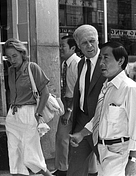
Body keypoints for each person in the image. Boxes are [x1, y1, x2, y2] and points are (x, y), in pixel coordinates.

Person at [69, 41, 136, 176]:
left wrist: (133, 161)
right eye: (100, 58)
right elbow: (100, 117)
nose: (101, 63)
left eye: (106, 58)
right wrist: (81, 134)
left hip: (119, 154)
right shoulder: (107, 86)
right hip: (104, 152)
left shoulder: (130, 89)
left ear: (120, 60)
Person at [3, 38, 52, 176]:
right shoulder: (11, 71)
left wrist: (38, 113)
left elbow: (45, 93)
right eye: (9, 57)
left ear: (22, 53)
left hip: (29, 113)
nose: (12, 60)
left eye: (15, 56)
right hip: (13, 115)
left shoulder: (32, 67)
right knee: (14, 155)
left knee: (31, 155)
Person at [67, 24, 106, 176]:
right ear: (78, 46)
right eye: (84, 43)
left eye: (92, 41)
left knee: (110, 169)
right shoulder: (81, 64)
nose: (89, 46)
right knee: (75, 170)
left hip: (102, 124)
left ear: (98, 40)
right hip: (81, 122)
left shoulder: (109, 62)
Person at [53, 35, 80, 176]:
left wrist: (69, 110)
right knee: (62, 137)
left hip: (73, 104)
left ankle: (64, 169)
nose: (60, 48)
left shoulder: (77, 64)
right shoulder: (65, 64)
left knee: (63, 137)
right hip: (65, 102)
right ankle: (63, 168)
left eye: (63, 45)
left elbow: (79, 90)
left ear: (73, 48)